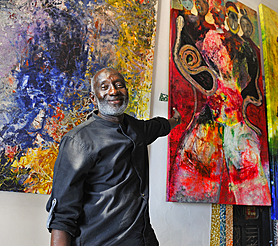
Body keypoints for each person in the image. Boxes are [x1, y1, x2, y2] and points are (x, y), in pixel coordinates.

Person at [46, 67, 181, 246]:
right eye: (105, 87)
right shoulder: (77, 141)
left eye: (119, 85)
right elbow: (62, 216)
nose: (113, 91)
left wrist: (176, 120)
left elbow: (158, 126)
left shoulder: (136, 129)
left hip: (143, 240)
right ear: (93, 98)